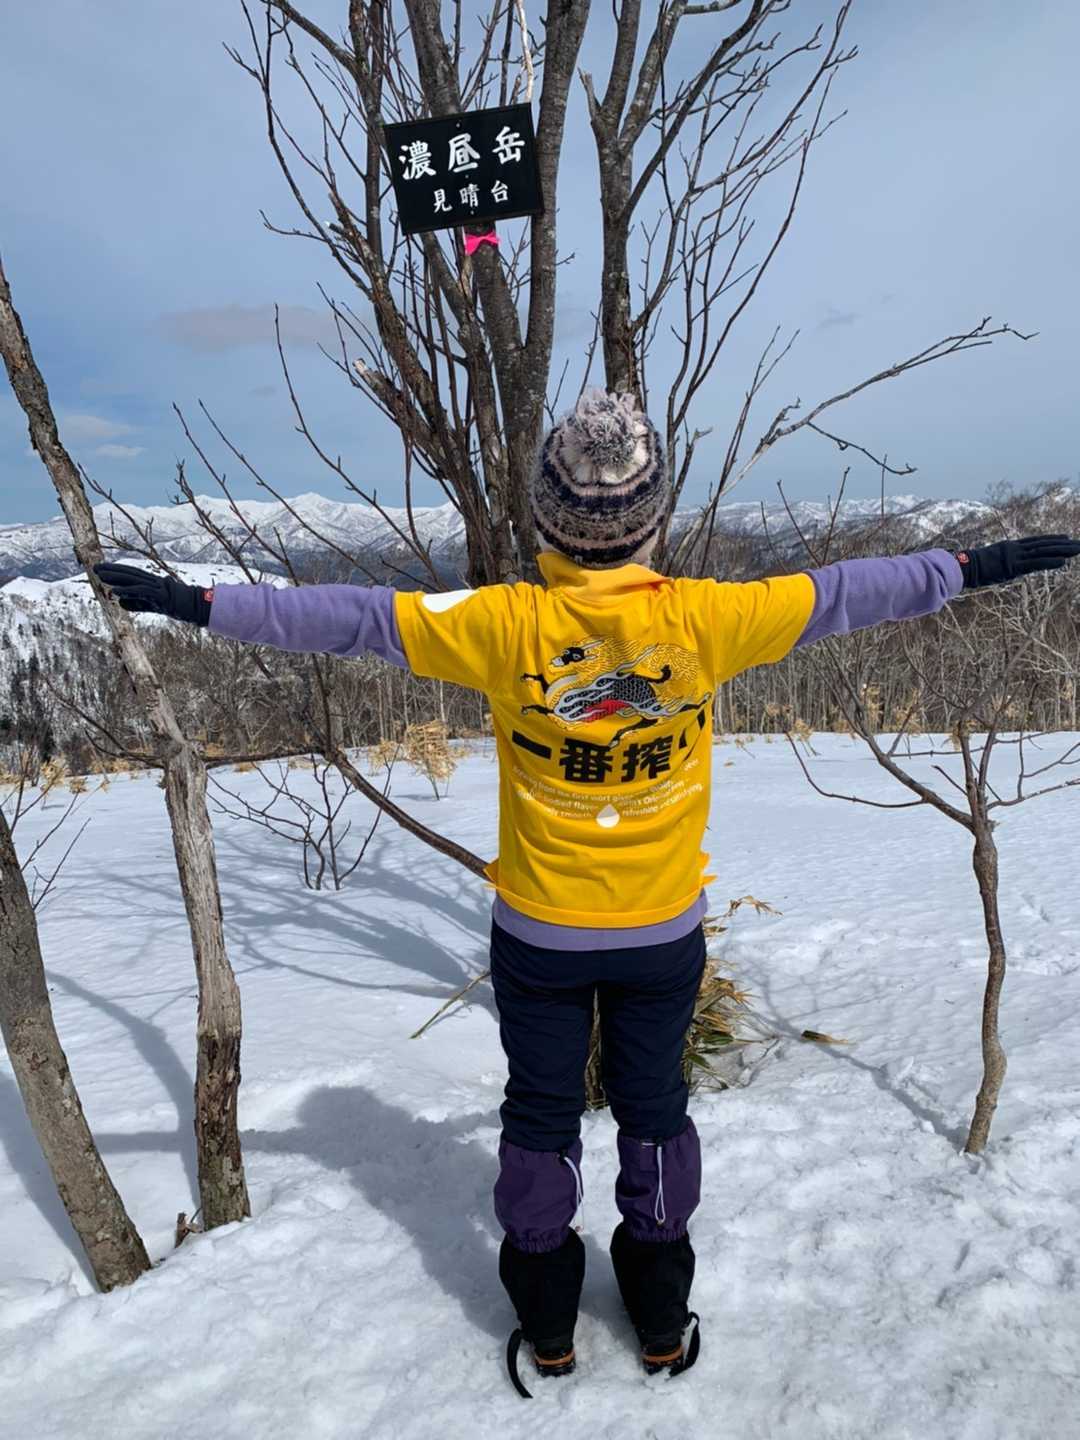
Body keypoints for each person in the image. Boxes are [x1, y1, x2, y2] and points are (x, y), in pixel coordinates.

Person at [96, 391, 1079, 1394]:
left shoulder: (502, 624)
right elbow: (850, 593)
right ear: (653, 520)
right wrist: (974, 567)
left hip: (540, 937)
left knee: (540, 1117)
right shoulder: (709, 619)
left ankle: (550, 1325)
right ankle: (660, 1317)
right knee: (655, 1115)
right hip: (661, 935)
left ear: (543, 519)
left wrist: (201, 604)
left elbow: (347, 619)